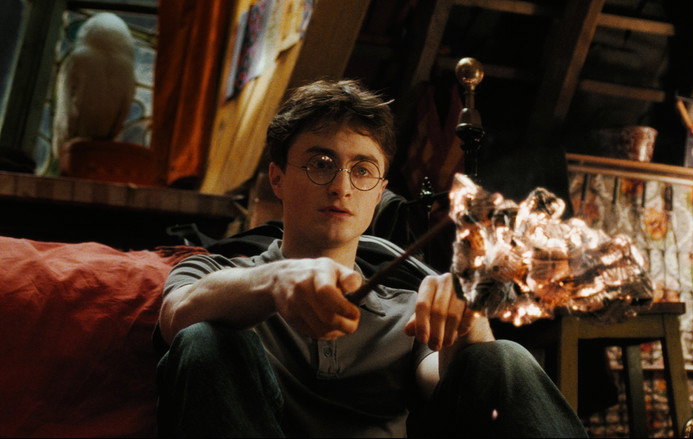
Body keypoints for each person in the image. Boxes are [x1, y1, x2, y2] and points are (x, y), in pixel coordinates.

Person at [155, 79, 588, 437]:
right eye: (321, 164)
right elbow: (177, 315)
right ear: (277, 178)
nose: (341, 186)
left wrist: (468, 320)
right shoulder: (216, 272)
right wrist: (276, 281)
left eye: (362, 170)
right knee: (207, 338)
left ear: (380, 193)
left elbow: (450, 388)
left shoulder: (408, 306)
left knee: (502, 356)